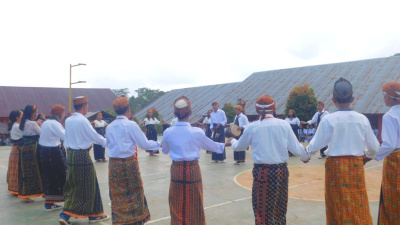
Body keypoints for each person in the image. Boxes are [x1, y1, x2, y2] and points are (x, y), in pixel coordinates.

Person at [306, 78, 379, 225]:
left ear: (333, 100)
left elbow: (315, 145)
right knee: (358, 200)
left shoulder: (329, 120)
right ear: (352, 99)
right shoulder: (362, 119)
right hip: (355, 166)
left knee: (337, 203)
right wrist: (366, 158)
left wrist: (305, 154)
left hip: (335, 167)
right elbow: (375, 148)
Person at [227, 95, 309, 225]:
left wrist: (232, 141)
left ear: (257, 110)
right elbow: (296, 148)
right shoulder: (283, 124)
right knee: (280, 209)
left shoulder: (253, 127)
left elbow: (239, 147)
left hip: (262, 173)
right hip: (280, 172)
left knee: (263, 211)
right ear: (274, 108)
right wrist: (305, 156)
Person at [162, 96, 225, 225]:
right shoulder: (197, 132)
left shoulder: (168, 132)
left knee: (176, 202)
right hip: (192, 170)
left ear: (175, 114)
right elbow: (213, 147)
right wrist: (226, 145)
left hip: (176, 170)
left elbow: (164, 150)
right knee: (195, 201)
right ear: (190, 113)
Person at [106, 95, 161, 225]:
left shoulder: (110, 126)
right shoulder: (131, 125)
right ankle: (135, 220)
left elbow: (108, 144)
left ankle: (120, 220)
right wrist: (159, 144)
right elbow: (145, 144)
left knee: (117, 194)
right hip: (129, 163)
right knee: (134, 192)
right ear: (128, 110)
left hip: (114, 164)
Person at [59, 96, 109, 225]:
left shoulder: (69, 120)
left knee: (73, 185)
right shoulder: (83, 121)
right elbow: (94, 136)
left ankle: (90, 214)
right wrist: (109, 142)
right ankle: (73, 215)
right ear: (85, 106)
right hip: (82, 156)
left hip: (71, 156)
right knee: (89, 185)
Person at [364, 81, 400, 224]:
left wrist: (369, 156)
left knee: (393, 195)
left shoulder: (390, 116)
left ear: (390, 97)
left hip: (396, 162)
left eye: (384, 94)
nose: (383, 97)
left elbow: (389, 144)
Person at [38, 105, 67, 212]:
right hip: (53, 152)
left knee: (48, 177)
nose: (64, 116)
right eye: (63, 113)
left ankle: (49, 204)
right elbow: (65, 137)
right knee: (62, 175)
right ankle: (68, 201)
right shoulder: (55, 124)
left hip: (44, 151)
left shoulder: (46, 123)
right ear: (59, 114)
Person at [19, 105, 43, 202]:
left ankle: (25, 195)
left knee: (26, 172)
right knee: (38, 170)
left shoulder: (23, 123)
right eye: (35, 112)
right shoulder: (33, 124)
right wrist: (39, 125)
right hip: (33, 149)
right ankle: (43, 191)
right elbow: (41, 133)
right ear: (31, 113)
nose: (36, 114)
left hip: (24, 149)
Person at [6, 110, 23, 196]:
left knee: (15, 170)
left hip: (15, 149)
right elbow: (26, 134)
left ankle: (14, 189)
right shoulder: (17, 126)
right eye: (21, 115)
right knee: (18, 169)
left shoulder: (15, 125)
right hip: (18, 150)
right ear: (17, 117)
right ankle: (17, 189)